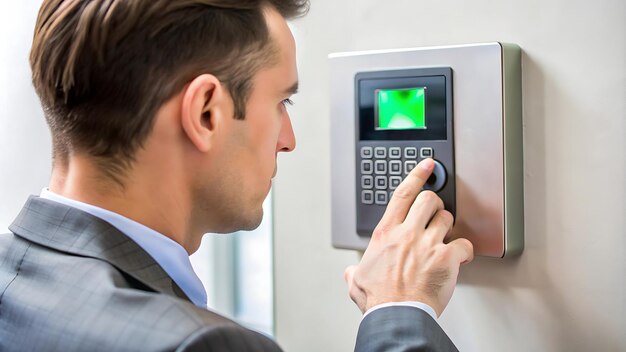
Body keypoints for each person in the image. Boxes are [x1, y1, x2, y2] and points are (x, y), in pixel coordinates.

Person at [0, 0, 474, 351]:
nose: (289, 140)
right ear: (207, 113)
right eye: (281, 103)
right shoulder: (200, 345)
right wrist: (399, 312)